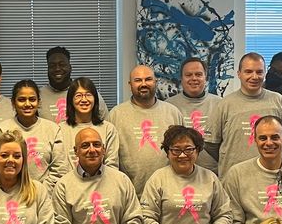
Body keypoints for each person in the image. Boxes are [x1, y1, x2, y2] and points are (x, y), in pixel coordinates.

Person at [205, 52, 282, 177]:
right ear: (239, 74)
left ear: (264, 73)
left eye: (259, 72)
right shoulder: (224, 104)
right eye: (248, 71)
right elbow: (211, 145)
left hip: (272, 178)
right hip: (234, 180)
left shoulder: (278, 101)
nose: (254, 77)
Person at [109, 65, 184, 194]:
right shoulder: (116, 114)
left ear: (155, 82)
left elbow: (183, 153)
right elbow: (110, 158)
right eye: (138, 80)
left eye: (148, 79)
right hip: (130, 194)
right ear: (130, 84)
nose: (143, 84)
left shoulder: (173, 112)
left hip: (168, 193)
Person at [0, 79, 69, 188]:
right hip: (9, 196)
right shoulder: (1, 130)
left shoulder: (52, 130)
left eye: (32, 99)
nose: (27, 104)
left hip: (44, 197)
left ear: (38, 102)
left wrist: (40, 195)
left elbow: (59, 170)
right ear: (13, 103)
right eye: (21, 99)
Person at [166, 56, 220, 172]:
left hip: (213, 173)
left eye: (199, 74)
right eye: (188, 75)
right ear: (181, 78)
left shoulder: (220, 104)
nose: (194, 78)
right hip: (178, 173)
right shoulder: (168, 106)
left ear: (206, 77)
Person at [59, 76, 119, 170]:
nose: (84, 100)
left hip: (102, 183)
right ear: (71, 100)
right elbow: (59, 166)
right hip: (69, 183)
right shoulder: (60, 130)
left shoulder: (108, 129)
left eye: (88, 95)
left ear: (95, 99)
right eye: (78, 95)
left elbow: (112, 166)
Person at [39, 45, 73, 123]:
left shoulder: (85, 94)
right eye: (52, 66)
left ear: (70, 67)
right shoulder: (37, 96)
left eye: (62, 65)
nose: (57, 69)